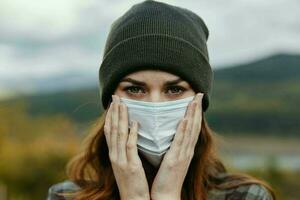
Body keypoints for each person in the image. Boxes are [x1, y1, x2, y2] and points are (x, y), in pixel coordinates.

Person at [46, 0, 276, 199]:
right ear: (110, 101)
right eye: (135, 89)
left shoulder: (245, 196)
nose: (155, 106)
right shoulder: (66, 197)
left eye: (174, 89)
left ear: (199, 100)